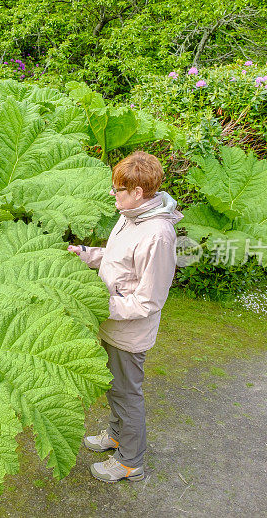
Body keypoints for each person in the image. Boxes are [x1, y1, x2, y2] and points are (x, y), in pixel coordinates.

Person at [68, 150, 183, 483]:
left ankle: (131, 461)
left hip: (129, 333)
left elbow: (149, 301)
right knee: (114, 388)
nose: (113, 194)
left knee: (127, 393)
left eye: (119, 189)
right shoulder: (131, 214)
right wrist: (87, 255)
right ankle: (117, 435)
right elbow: (117, 260)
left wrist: (100, 305)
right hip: (111, 324)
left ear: (138, 192)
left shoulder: (158, 235)